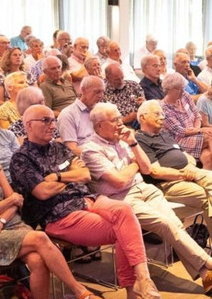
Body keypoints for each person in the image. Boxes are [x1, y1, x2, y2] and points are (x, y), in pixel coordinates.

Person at [81, 103, 212, 294]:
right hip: (121, 199)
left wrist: (132, 144)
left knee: (176, 225)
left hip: (146, 189)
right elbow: (119, 181)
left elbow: (145, 168)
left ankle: (207, 276)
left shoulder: (123, 141)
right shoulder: (90, 149)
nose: (120, 123)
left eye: (119, 118)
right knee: (166, 224)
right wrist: (134, 166)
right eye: (114, 120)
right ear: (99, 125)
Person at [10, 105, 163, 299]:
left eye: (53, 120)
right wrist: (70, 176)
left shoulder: (59, 148)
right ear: (29, 125)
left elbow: (85, 174)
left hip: (88, 200)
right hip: (60, 215)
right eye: (46, 120)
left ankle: (144, 280)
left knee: (124, 210)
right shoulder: (21, 159)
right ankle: (133, 292)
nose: (52, 125)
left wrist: (56, 177)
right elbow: (41, 192)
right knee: (124, 230)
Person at [0, 127, 101, 299]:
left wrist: (1, 221)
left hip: (9, 223)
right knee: (40, 238)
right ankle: (80, 291)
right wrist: (9, 202)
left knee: (38, 260)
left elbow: (17, 202)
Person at [136, 100, 212, 262]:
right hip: (167, 184)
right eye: (157, 114)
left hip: (189, 173)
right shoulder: (141, 140)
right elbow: (155, 171)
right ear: (142, 117)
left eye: (162, 113)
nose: (162, 117)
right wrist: (182, 174)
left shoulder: (164, 134)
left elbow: (187, 156)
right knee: (209, 194)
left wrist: (190, 167)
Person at [162, 73, 212, 175]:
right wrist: (199, 130)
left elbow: (197, 115)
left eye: (183, 87)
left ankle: (210, 186)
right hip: (180, 140)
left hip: (194, 133)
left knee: (207, 157)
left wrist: (196, 130)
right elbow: (179, 131)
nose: (183, 91)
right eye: (179, 89)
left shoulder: (185, 96)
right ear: (169, 89)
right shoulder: (165, 108)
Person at [57, 76, 105, 156]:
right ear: (83, 90)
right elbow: (72, 149)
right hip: (89, 157)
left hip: (106, 151)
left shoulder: (101, 109)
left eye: (103, 92)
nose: (101, 95)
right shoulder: (68, 114)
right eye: (97, 92)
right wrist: (98, 158)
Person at [103, 63, 145, 128]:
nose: (121, 81)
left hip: (141, 123)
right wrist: (125, 119)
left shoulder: (133, 85)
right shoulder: (103, 93)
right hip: (120, 128)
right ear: (107, 78)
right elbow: (106, 122)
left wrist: (144, 103)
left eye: (122, 77)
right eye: (117, 79)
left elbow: (146, 107)